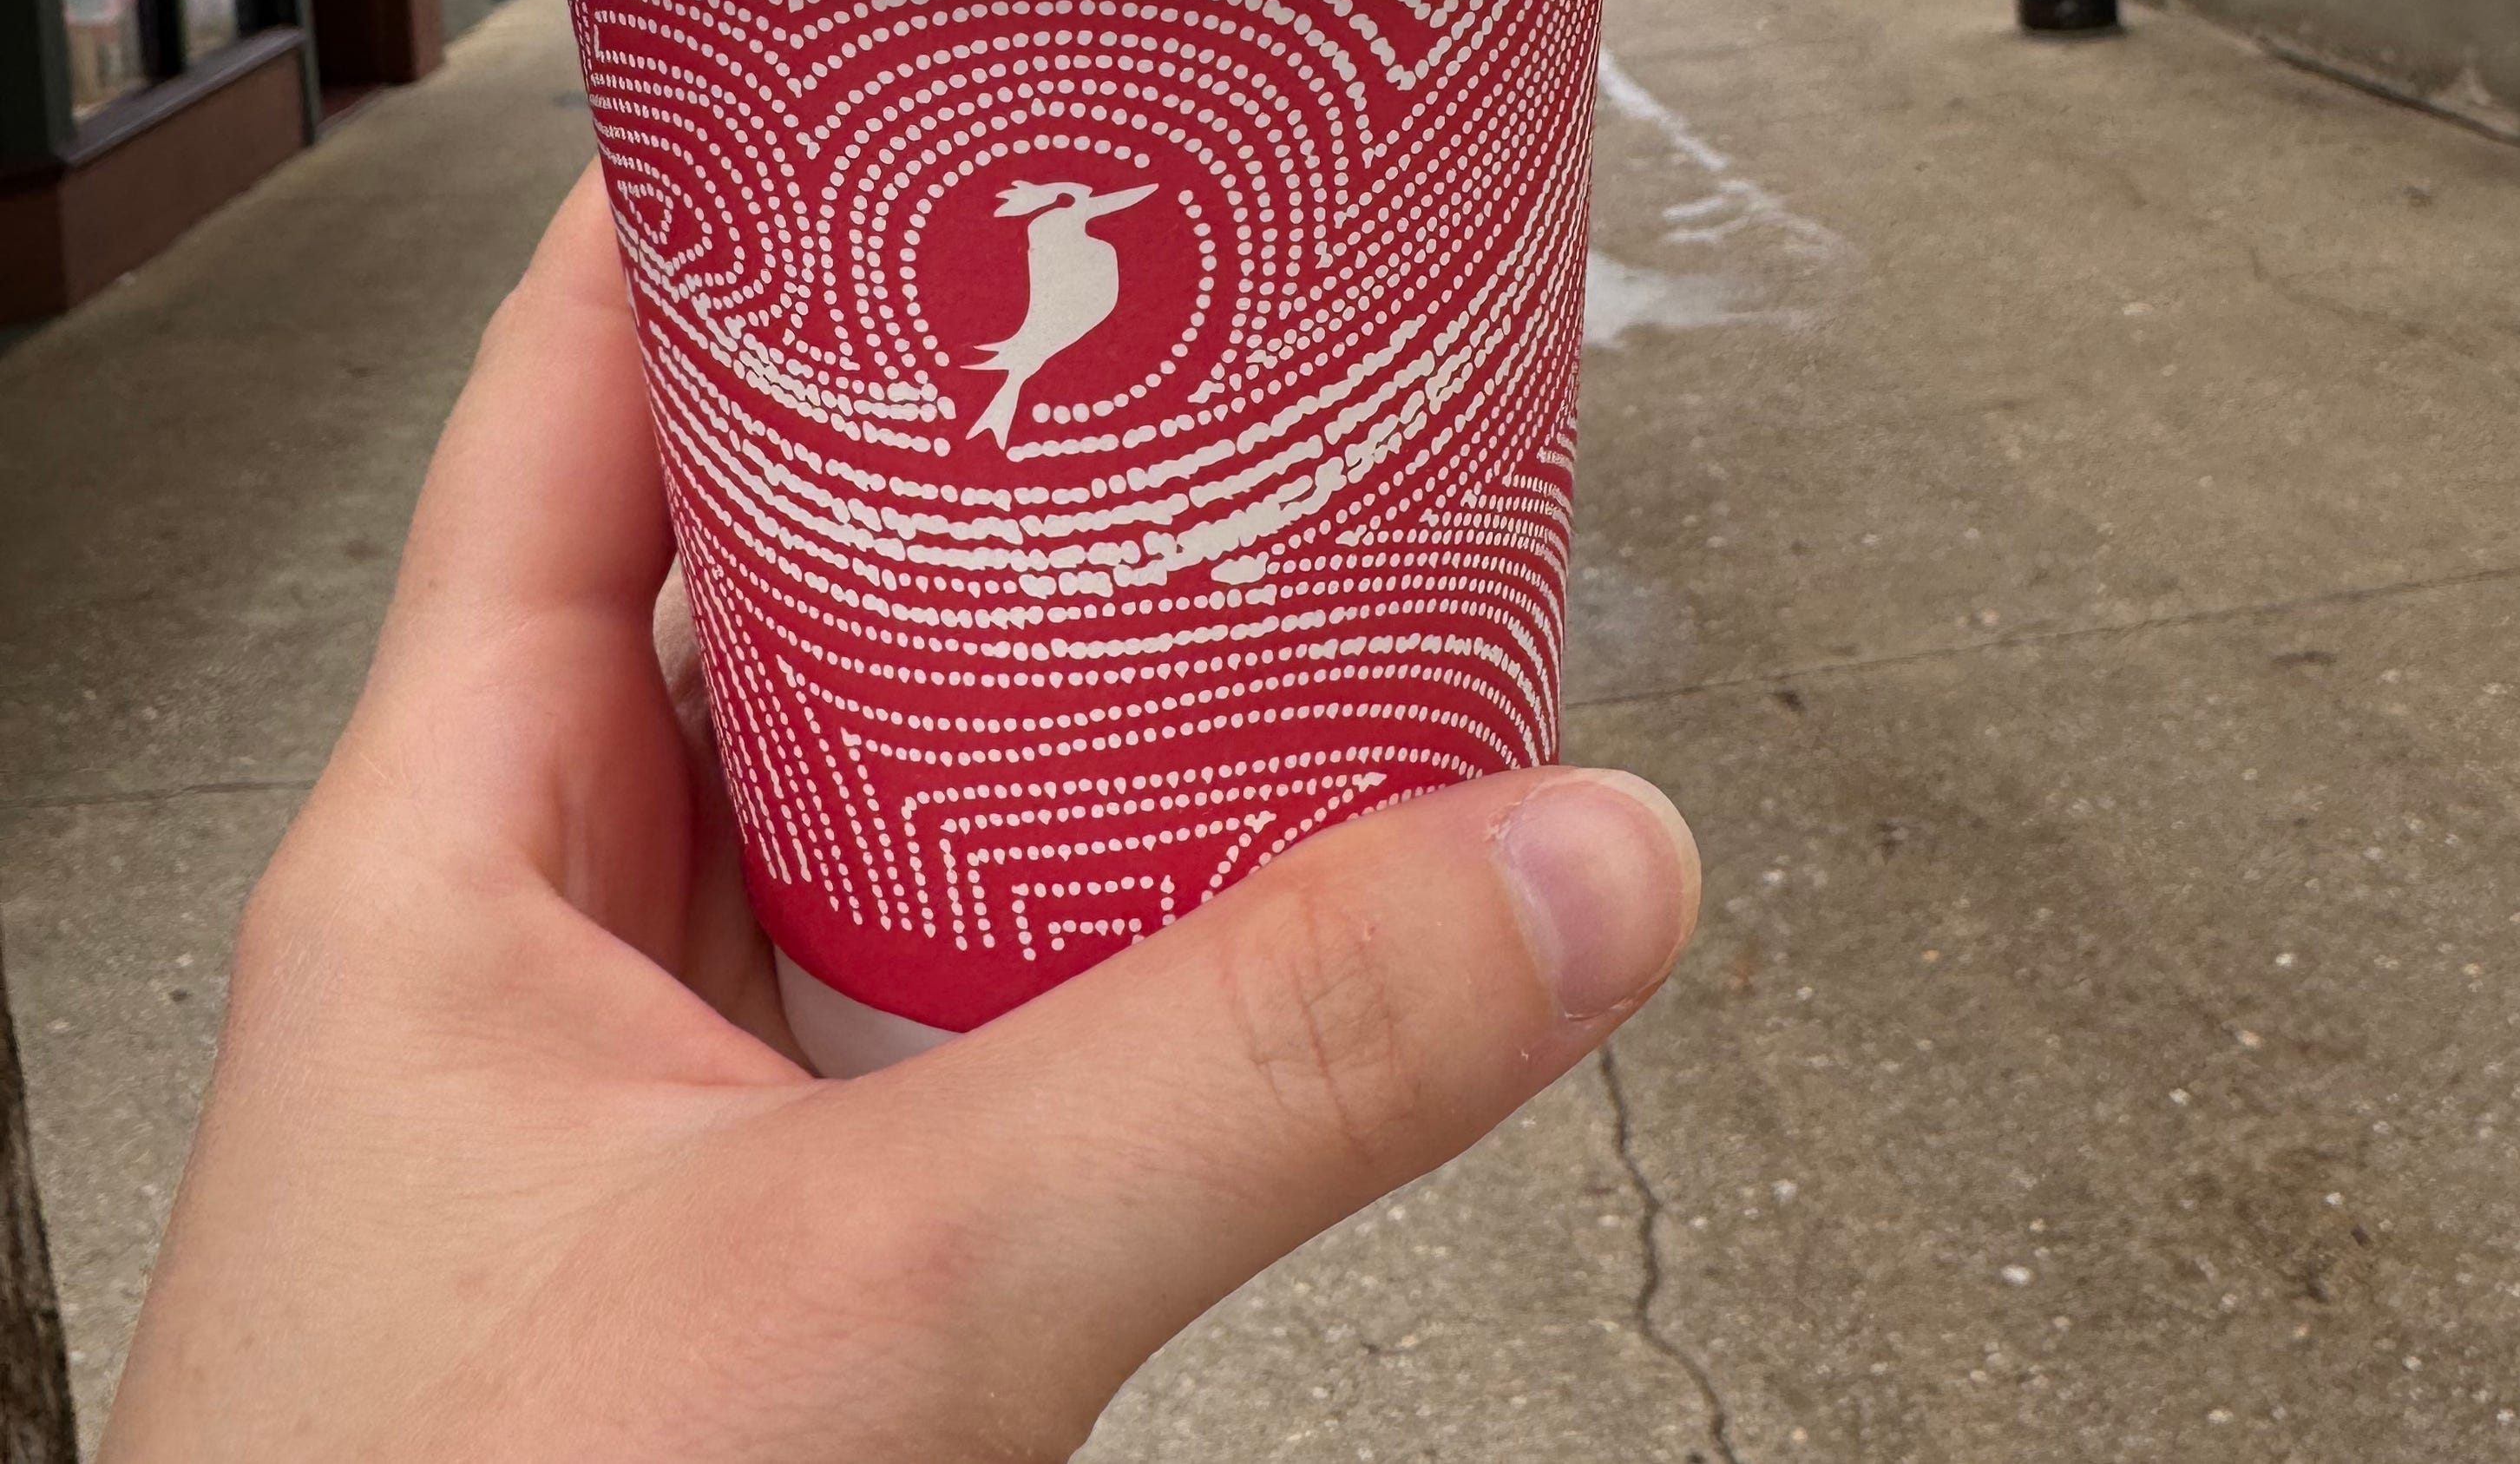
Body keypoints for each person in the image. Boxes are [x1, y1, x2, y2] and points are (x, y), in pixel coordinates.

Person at [97, 174, 1700, 1460]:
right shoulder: (1060, 237)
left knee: (1007, 384)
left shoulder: (1069, 230)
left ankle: (1003, 406)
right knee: (1013, 383)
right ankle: (1007, 407)